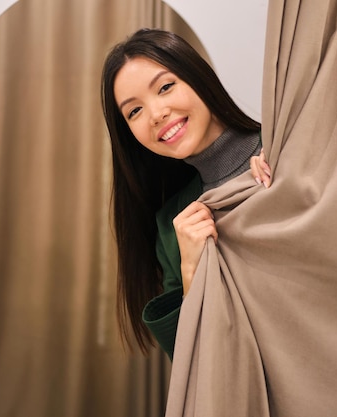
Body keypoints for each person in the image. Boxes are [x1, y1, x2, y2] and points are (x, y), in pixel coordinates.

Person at [100, 28, 271, 359]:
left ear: (198, 76)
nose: (156, 114)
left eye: (165, 87)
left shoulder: (286, 146)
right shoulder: (171, 227)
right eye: (134, 111)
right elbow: (192, 369)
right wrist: (192, 272)